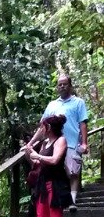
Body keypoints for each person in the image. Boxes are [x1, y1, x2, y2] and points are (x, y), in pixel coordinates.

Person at [24, 73, 89, 208]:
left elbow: (83, 123)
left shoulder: (78, 102)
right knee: (53, 170)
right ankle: (54, 200)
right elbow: (43, 126)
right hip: (53, 143)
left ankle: (72, 201)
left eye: (65, 84)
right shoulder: (52, 105)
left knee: (73, 172)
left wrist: (84, 143)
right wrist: (30, 144)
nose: (62, 86)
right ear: (57, 87)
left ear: (70, 86)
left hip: (71, 143)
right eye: (60, 84)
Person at [28, 113, 72, 217]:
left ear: (49, 128)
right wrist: (30, 153)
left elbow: (54, 160)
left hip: (55, 183)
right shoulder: (45, 143)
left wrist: (38, 156)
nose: (41, 129)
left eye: (43, 126)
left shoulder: (61, 141)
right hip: (42, 184)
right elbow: (38, 163)